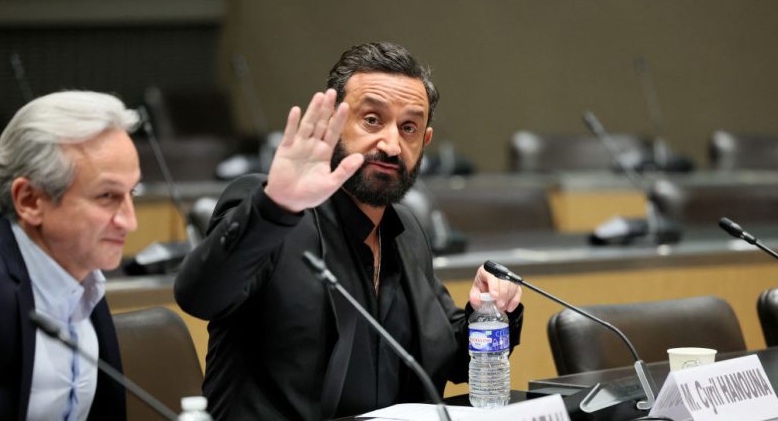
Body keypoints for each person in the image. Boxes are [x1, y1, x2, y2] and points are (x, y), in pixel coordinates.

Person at [175, 42, 525, 420]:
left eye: (408, 128)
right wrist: (273, 208)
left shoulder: (407, 231)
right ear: (332, 125)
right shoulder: (273, 211)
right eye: (372, 120)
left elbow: (444, 359)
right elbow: (201, 296)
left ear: (424, 143)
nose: (391, 145)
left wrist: (487, 312)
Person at [0, 91, 141, 421]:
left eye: (132, 193)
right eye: (107, 196)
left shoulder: (84, 279)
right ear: (29, 200)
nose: (130, 221)